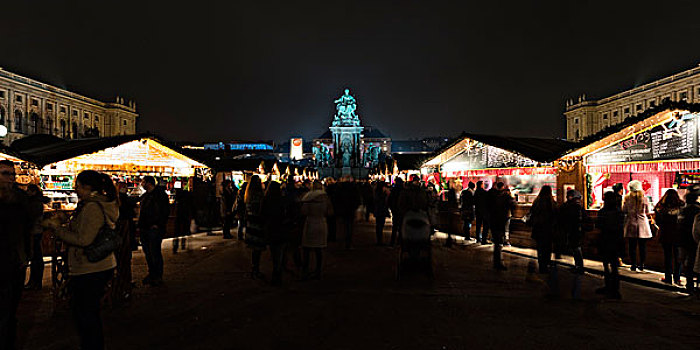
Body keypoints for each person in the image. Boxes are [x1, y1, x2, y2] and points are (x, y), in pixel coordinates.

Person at [46, 170, 118, 350]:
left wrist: (58, 229)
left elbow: (84, 239)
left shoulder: (92, 207)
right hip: (95, 266)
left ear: (88, 188)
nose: (75, 189)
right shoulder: (93, 205)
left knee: (86, 315)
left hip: (90, 267)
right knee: (87, 313)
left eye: (78, 185)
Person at [0, 160, 34, 350]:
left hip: (14, 261)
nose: (11, 179)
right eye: (6, 174)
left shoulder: (19, 198)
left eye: (12, 174)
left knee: (10, 310)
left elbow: (27, 224)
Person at [138, 176, 170, 286]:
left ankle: (157, 276)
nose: (141, 184)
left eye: (143, 182)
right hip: (146, 227)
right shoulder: (146, 195)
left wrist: (157, 224)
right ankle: (152, 274)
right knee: (148, 252)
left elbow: (164, 211)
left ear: (148, 183)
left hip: (153, 228)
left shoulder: (159, 195)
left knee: (154, 252)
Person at [301, 181, 333, 280]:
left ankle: (305, 270)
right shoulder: (325, 198)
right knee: (319, 249)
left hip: (310, 223)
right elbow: (330, 212)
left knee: (306, 248)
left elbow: (303, 212)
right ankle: (318, 270)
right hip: (321, 223)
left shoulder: (308, 198)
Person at [595, 191, 625, 299]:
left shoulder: (603, 212)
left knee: (606, 265)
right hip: (616, 240)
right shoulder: (619, 212)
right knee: (614, 265)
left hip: (606, 239)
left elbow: (598, 225)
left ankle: (608, 286)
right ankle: (615, 289)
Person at [113, 182, 136, 302]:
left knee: (122, 258)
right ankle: (125, 282)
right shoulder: (123, 199)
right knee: (125, 258)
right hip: (125, 233)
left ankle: (122, 282)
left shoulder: (116, 200)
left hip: (121, 234)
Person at [654, 189, 684, 285]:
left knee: (667, 257)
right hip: (678, 234)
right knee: (677, 257)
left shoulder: (660, 207)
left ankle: (668, 277)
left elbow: (657, 221)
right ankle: (677, 277)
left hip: (665, 234)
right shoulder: (681, 207)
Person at [622, 180, 653, 272]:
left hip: (631, 224)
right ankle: (642, 265)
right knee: (642, 247)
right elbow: (647, 211)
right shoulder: (644, 198)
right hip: (642, 224)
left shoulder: (627, 198)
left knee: (632, 247)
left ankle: (633, 265)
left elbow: (624, 210)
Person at [261, 181, 287, 285]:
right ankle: (278, 273)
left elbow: (262, 214)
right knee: (280, 253)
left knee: (274, 253)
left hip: (271, 229)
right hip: (281, 228)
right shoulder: (282, 200)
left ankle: (276, 274)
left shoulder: (266, 200)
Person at [528, 185, 558, 273]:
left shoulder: (537, 201)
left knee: (540, 248)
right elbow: (555, 214)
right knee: (547, 248)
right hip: (547, 229)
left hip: (538, 228)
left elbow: (532, 212)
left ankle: (542, 265)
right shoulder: (551, 202)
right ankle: (545, 264)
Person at [488, 182, 515, 270]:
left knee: (497, 242)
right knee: (499, 242)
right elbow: (513, 205)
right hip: (501, 220)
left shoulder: (492, 195)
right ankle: (498, 263)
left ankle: (497, 262)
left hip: (493, 220)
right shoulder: (505, 196)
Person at [244, 175, 267, 279]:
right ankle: (256, 269)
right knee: (257, 249)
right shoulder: (259, 196)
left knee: (254, 249)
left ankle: (254, 268)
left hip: (250, 224)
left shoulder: (248, 196)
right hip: (257, 224)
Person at [679, 186, 700, 295]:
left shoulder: (683, 211)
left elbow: (680, 225)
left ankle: (689, 284)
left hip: (684, 240)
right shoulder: (698, 210)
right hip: (693, 241)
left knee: (686, 262)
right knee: (693, 262)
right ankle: (694, 285)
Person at [559, 189, 587, 273]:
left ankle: (579, 267)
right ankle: (578, 266)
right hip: (577, 230)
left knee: (576, 248)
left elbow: (562, 217)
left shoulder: (568, 206)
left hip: (573, 230)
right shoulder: (579, 206)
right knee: (576, 248)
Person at [25, 184, 46, 290]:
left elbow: (31, 217)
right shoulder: (37, 202)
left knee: (35, 256)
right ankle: (35, 281)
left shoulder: (35, 203)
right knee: (36, 256)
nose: (27, 192)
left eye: (29, 190)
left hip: (34, 232)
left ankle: (35, 281)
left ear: (33, 192)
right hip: (36, 231)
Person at [335, 175, 361, 249]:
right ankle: (349, 242)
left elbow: (336, 199)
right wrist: (355, 207)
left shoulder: (339, 187)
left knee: (342, 225)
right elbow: (357, 199)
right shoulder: (354, 188)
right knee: (350, 226)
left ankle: (342, 241)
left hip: (342, 209)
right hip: (351, 209)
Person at [173, 188, 194, 253]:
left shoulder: (178, 202)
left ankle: (175, 247)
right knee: (185, 231)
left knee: (177, 232)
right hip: (186, 216)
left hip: (179, 216)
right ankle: (183, 244)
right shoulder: (187, 201)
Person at [388, 177, 404, 246]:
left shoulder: (393, 190)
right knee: (401, 226)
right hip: (402, 210)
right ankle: (399, 241)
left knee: (395, 226)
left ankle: (392, 241)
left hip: (395, 210)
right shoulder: (403, 190)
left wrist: (392, 208)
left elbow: (390, 200)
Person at [373, 181, 390, 245]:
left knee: (379, 225)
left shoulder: (376, 192)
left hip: (378, 210)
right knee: (380, 225)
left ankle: (379, 239)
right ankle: (380, 240)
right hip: (381, 210)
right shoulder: (382, 194)